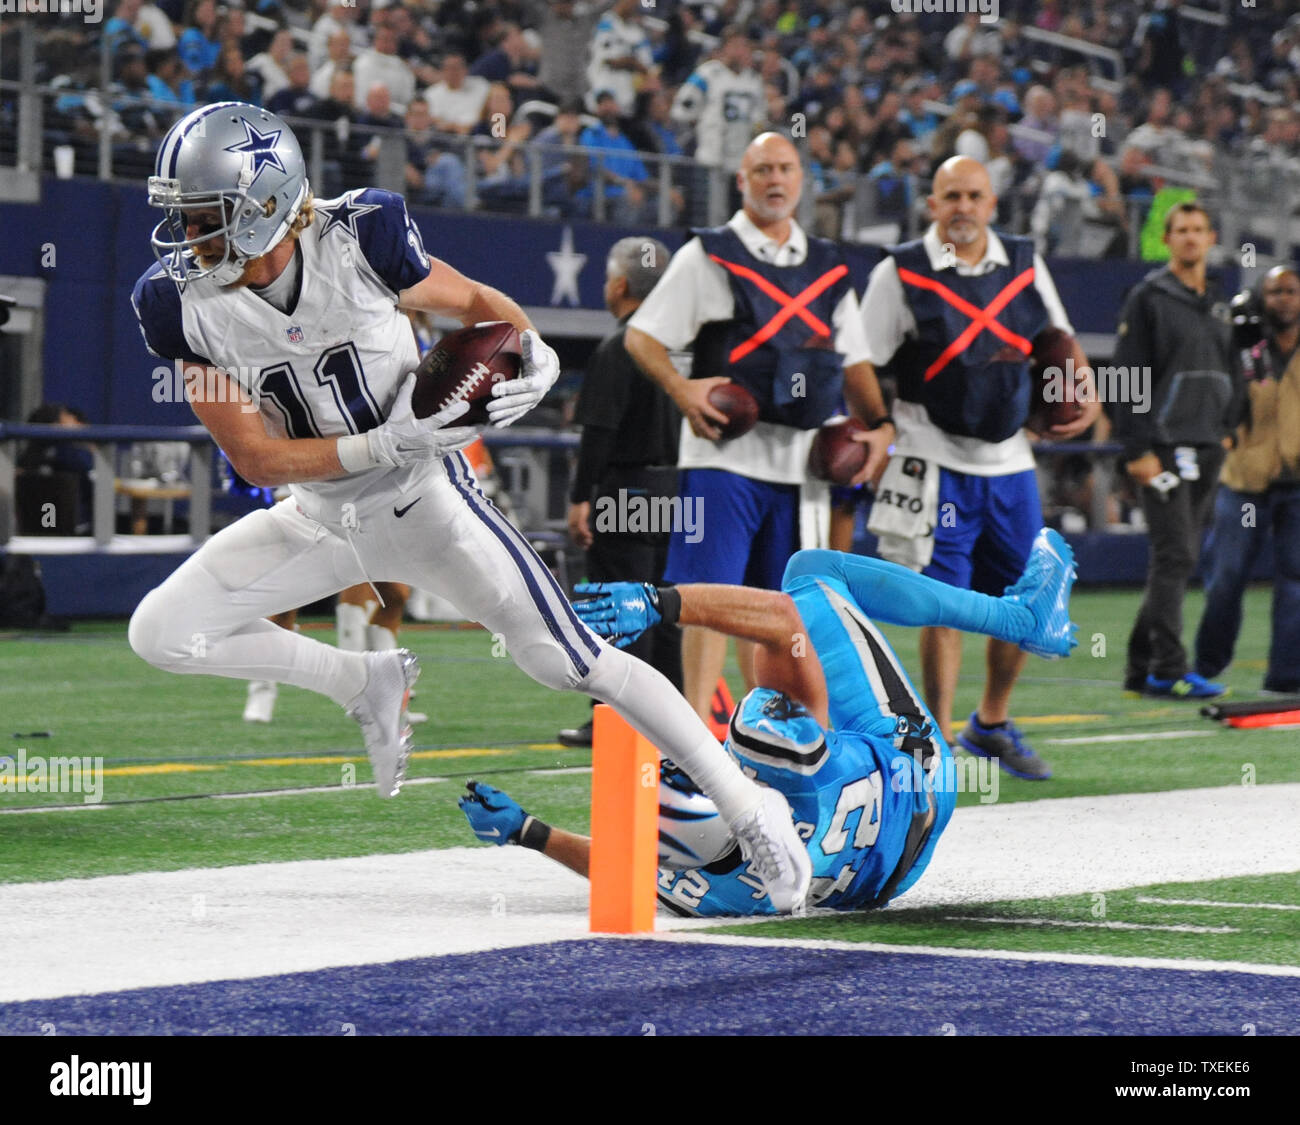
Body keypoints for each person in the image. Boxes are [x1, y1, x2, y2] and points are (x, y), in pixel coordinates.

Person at [127, 102, 810, 912]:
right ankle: (360, 679)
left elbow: (482, 305)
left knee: (571, 659)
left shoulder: (362, 236)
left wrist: (540, 353)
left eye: (205, 219)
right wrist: (384, 444)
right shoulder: (175, 303)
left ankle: (749, 808)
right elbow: (253, 455)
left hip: (428, 502)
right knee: (162, 632)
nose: (187, 240)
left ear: (268, 204)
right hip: (318, 513)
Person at [460, 529, 1078, 916]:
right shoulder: (767, 759)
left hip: (882, 880)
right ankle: (1023, 620)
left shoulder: (706, 889)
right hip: (910, 774)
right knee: (812, 574)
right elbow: (783, 620)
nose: (679, 765)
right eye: (684, 778)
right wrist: (660, 602)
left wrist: (528, 832)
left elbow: (621, 865)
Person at [624, 131, 891, 727]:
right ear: (741, 182)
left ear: (801, 180)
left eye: (786, 169)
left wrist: (881, 425)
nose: (775, 180)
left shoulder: (830, 267)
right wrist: (682, 388)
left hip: (802, 467)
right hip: (723, 457)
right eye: (763, 169)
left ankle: (770, 734)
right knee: (709, 595)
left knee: (778, 608)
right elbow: (642, 337)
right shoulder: (708, 255)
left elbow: (855, 363)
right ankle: (692, 739)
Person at [855, 155, 1099, 780]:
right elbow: (860, 358)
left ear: (992, 204)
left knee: (1031, 593)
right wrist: (879, 428)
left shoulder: (1023, 261)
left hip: (1010, 459)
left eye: (973, 196)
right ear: (932, 205)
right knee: (945, 601)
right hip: (932, 454)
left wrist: (1085, 392)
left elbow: (1060, 340)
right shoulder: (899, 271)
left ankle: (989, 722)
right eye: (950, 196)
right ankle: (938, 741)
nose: (962, 207)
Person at [1110, 201, 1240, 700]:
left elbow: (1233, 369)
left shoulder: (1219, 301)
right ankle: (1168, 667)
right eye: (1180, 230)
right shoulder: (1147, 298)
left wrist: (1228, 426)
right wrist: (1136, 449)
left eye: (1198, 230)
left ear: (1210, 239)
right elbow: (1126, 378)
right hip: (1162, 449)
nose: (1189, 238)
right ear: (1166, 241)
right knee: (1175, 555)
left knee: (1178, 559)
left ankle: (1139, 669)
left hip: (1208, 445)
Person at [559, 237, 681, 747]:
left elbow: (600, 432)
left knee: (613, 602)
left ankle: (614, 717)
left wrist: (580, 496)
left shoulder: (620, 346)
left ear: (619, 285)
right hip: (679, 490)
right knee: (670, 607)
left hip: (624, 489)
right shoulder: (682, 345)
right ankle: (675, 719)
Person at [1193, 265, 1300, 695]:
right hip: (1245, 481)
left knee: (1296, 584)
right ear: (1262, 297)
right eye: (1274, 292)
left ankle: (1287, 677)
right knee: (1225, 577)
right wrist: (1231, 342)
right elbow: (1217, 395)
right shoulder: (1243, 343)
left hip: (1297, 486)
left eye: (1291, 291)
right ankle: (1205, 667)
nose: (1283, 300)